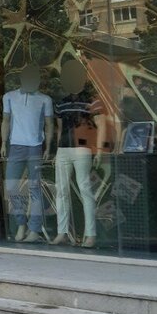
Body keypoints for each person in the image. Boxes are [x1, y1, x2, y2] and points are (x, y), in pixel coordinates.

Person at [52, 59, 106, 248]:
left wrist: (99, 150)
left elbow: (101, 124)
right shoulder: (62, 103)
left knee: (85, 190)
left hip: (83, 148)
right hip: (64, 149)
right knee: (61, 191)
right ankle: (62, 232)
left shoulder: (92, 100)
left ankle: (90, 235)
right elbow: (60, 129)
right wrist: (57, 150)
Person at [1, 64, 54, 243]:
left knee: (35, 189)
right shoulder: (9, 97)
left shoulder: (45, 100)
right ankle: (21, 223)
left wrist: (48, 147)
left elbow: (49, 124)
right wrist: (3, 143)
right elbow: (5, 120)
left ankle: (34, 229)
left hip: (35, 146)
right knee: (11, 186)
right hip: (15, 146)